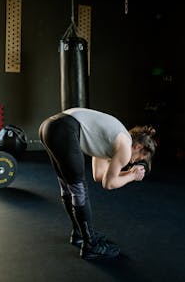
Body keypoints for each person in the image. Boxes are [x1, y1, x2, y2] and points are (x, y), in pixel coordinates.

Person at [39, 107, 157, 260]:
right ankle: (90, 245)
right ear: (138, 147)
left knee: (68, 186)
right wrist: (133, 176)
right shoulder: (125, 147)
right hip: (64, 129)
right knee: (79, 190)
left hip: (49, 127)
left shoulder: (111, 138)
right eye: (139, 157)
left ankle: (79, 233)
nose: (134, 161)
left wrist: (129, 173)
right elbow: (108, 184)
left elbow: (100, 175)